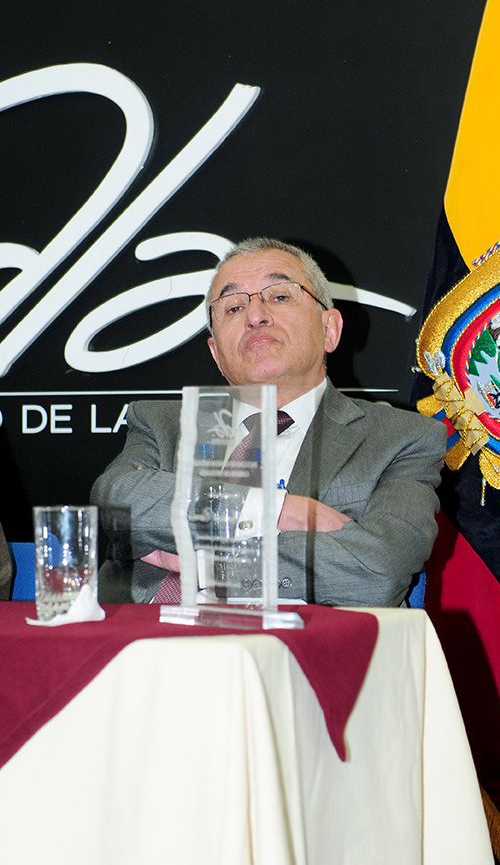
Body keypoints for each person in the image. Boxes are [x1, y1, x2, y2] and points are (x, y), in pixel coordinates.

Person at [92, 238, 446, 606]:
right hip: (139, 635)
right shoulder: (164, 423)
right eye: (233, 307)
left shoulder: (401, 440)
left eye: (279, 296)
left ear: (329, 330)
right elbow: (119, 504)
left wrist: (208, 566)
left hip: (302, 641)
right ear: (216, 353)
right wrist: (279, 510)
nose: (255, 315)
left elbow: (377, 570)